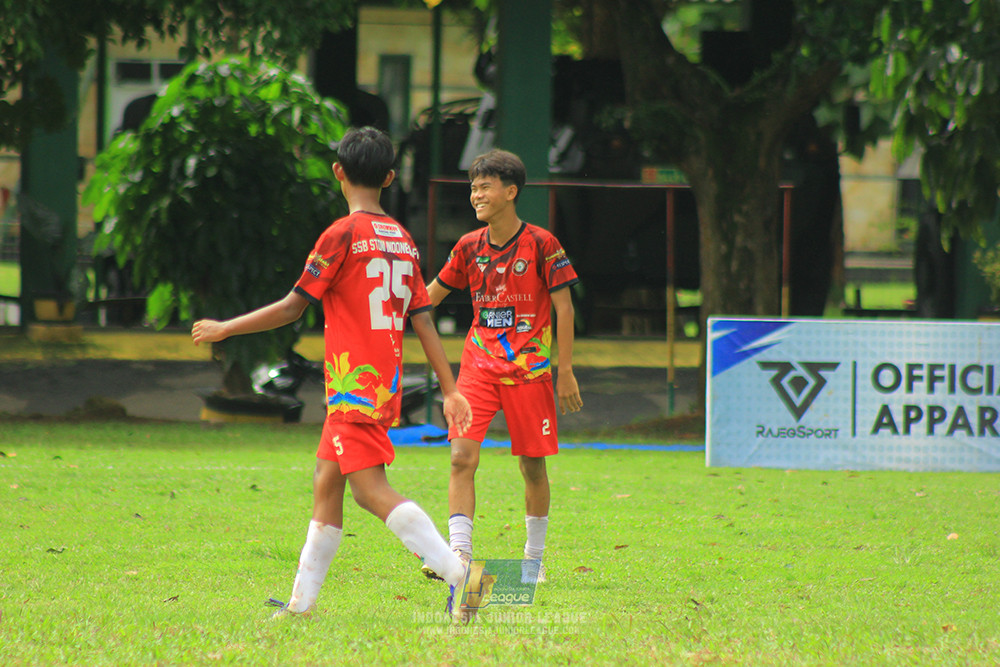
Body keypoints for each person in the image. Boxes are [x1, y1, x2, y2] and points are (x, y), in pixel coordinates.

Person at [191, 126, 474, 619]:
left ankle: (460, 574)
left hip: (352, 382)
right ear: (389, 176)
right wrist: (449, 389)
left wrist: (225, 329)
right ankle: (302, 604)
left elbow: (291, 308)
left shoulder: (342, 233)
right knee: (327, 480)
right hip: (380, 380)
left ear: (337, 172)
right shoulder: (403, 241)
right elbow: (422, 317)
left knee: (369, 491)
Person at [424, 148, 583, 583]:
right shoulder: (467, 247)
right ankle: (458, 553)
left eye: (485, 187)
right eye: (473, 188)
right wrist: (385, 312)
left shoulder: (541, 243)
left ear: (511, 192)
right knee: (461, 456)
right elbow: (429, 297)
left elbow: (564, 308)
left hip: (529, 371)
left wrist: (564, 369)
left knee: (532, 465)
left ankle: (533, 561)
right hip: (478, 365)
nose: (476, 195)